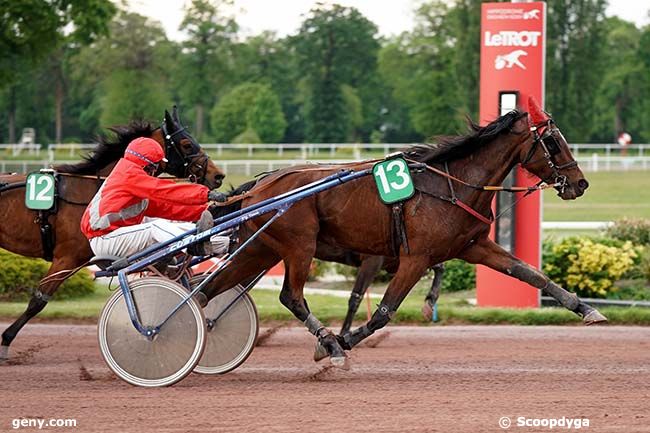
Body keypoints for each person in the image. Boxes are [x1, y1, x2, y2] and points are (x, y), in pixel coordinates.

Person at [80, 136, 228, 259]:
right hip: (104, 240)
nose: (155, 171)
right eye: (153, 166)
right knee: (155, 227)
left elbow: (167, 208)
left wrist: (206, 210)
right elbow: (163, 190)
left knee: (169, 223)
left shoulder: (135, 187)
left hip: (116, 236)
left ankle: (226, 243)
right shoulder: (129, 175)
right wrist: (205, 194)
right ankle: (194, 244)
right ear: (144, 163)